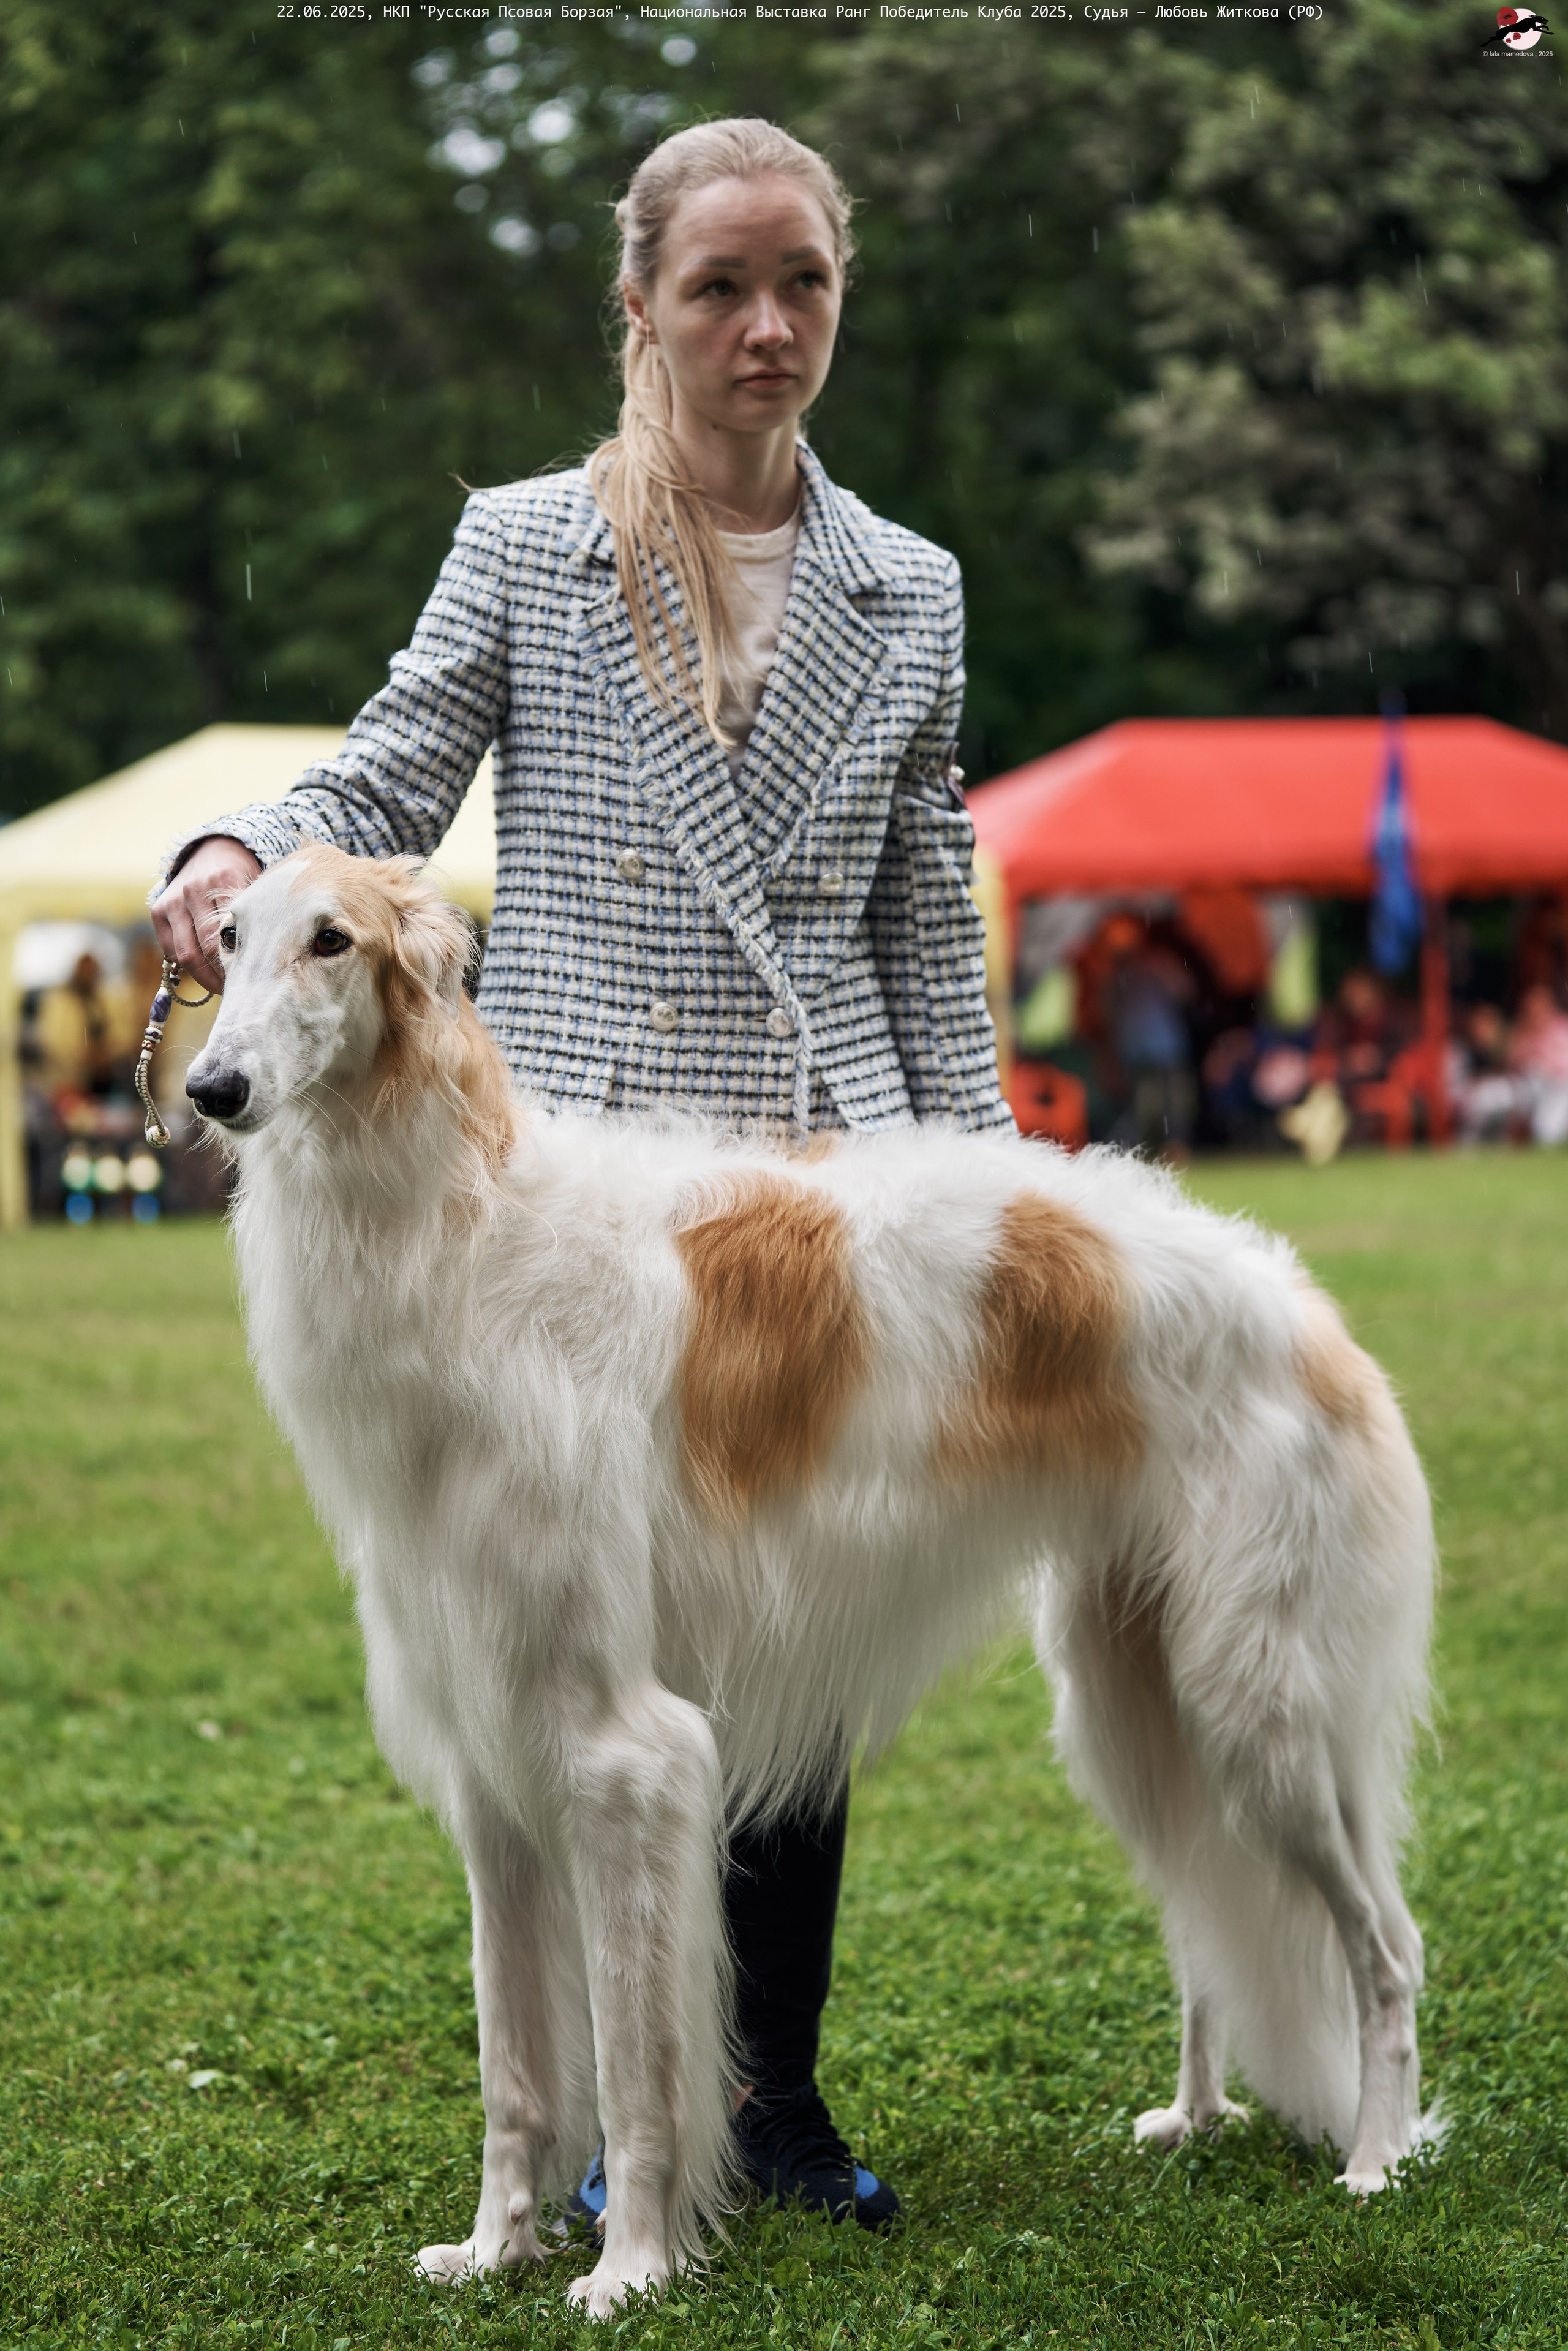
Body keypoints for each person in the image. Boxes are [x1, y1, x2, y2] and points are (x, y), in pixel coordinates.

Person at [152, 118, 1010, 2235]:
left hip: (822, 1187)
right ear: (636, 306)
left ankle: (765, 2099)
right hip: (583, 1207)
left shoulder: (915, 585)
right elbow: (391, 762)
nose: (765, 324)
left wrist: (987, 1183)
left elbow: (927, 906)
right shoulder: (530, 543)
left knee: (784, 1650)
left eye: (802, 280)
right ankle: (620, 2121)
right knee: (579, 1664)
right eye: (719, 285)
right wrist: (235, 856)